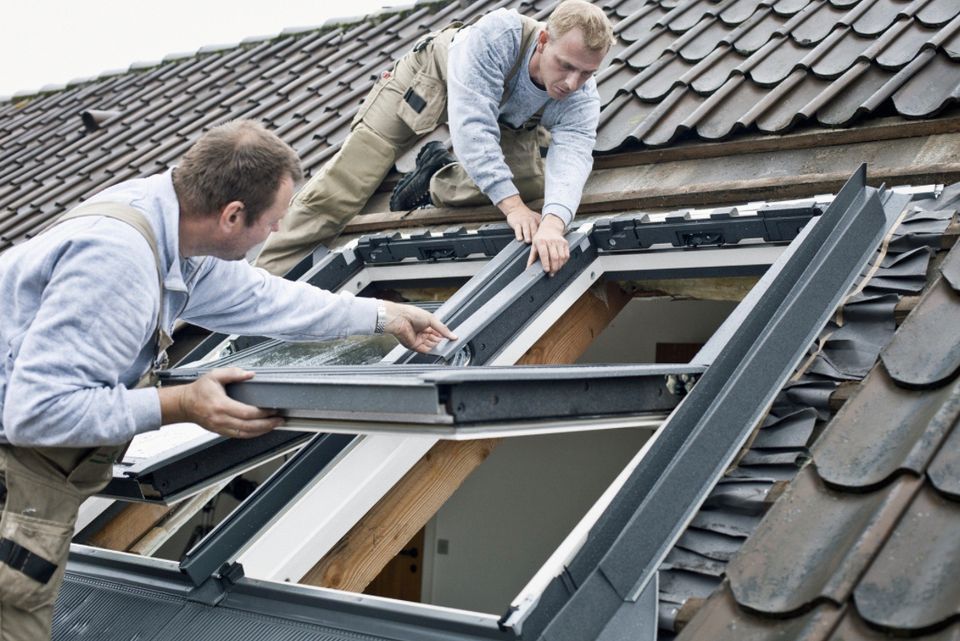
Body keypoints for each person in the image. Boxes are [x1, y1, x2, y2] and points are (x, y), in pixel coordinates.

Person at [0, 119, 455, 641]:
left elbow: (265, 300)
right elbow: (37, 411)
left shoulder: (173, 231)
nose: (278, 233)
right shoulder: (119, 265)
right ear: (232, 215)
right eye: (274, 221)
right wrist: (179, 404)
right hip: (15, 488)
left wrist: (382, 315)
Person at [255, 0, 615, 278]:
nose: (572, 83)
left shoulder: (581, 98)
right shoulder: (499, 35)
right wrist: (513, 208)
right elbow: (473, 128)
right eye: (565, 65)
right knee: (347, 184)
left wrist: (554, 223)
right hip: (430, 81)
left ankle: (434, 176)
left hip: (501, 118)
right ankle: (260, 280)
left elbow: (573, 157)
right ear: (542, 41)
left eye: (586, 73)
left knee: (534, 187)